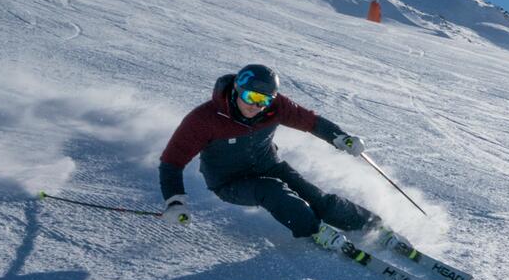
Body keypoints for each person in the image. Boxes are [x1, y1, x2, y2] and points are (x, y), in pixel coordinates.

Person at [157, 64, 376, 241]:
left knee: (314, 195)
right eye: (252, 97)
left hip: (269, 165)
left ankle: (368, 224)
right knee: (275, 192)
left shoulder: (276, 107)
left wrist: (340, 137)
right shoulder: (204, 119)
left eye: (264, 100)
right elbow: (171, 162)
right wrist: (175, 201)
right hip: (229, 182)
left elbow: (309, 121)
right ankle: (314, 231)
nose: (257, 106)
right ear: (237, 90)